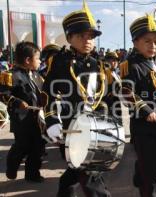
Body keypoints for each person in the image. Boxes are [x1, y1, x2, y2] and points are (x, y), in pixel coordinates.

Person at [42, 3, 111, 197]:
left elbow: (104, 96)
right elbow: (49, 93)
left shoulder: (98, 63)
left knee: (78, 171)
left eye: (91, 36)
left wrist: (105, 119)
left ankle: (65, 192)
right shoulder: (60, 61)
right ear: (69, 37)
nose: (87, 40)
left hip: (94, 125)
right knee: (89, 172)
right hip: (71, 126)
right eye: (81, 36)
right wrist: (52, 120)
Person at [120, 14, 156, 196]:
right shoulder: (130, 65)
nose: (152, 45)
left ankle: (140, 172)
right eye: (147, 41)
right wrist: (145, 110)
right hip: (143, 124)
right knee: (151, 170)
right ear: (135, 42)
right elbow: (126, 92)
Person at [0, 41, 45, 182]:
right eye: (37, 58)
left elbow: (42, 92)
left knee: (38, 147)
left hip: (37, 118)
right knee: (22, 146)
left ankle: (32, 174)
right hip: (21, 120)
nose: (40, 61)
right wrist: (18, 102)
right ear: (27, 60)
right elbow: (3, 95)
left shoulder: (36, 75)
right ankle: (12, 166)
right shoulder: (11, 75)